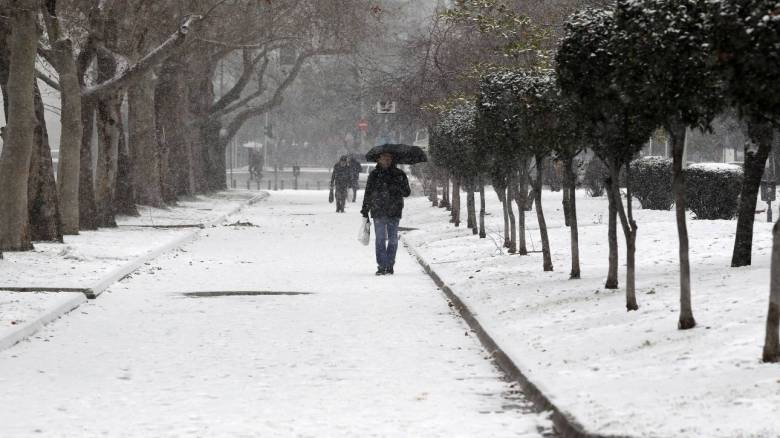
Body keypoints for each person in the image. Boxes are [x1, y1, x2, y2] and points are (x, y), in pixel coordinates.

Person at [360, 152, 411, 275]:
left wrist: (397, 186)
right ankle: (382, 265)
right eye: (384, 158)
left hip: (395, 210)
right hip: (378, 210)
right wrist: (365, 209)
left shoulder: (399, 174)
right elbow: (368, 192)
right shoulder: (374, 175)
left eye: (389, 158)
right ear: (379, 159)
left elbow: (407, 192)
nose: (387, 160)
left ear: (392, 159)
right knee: (380, 239)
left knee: (393, 239)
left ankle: (390, 264)